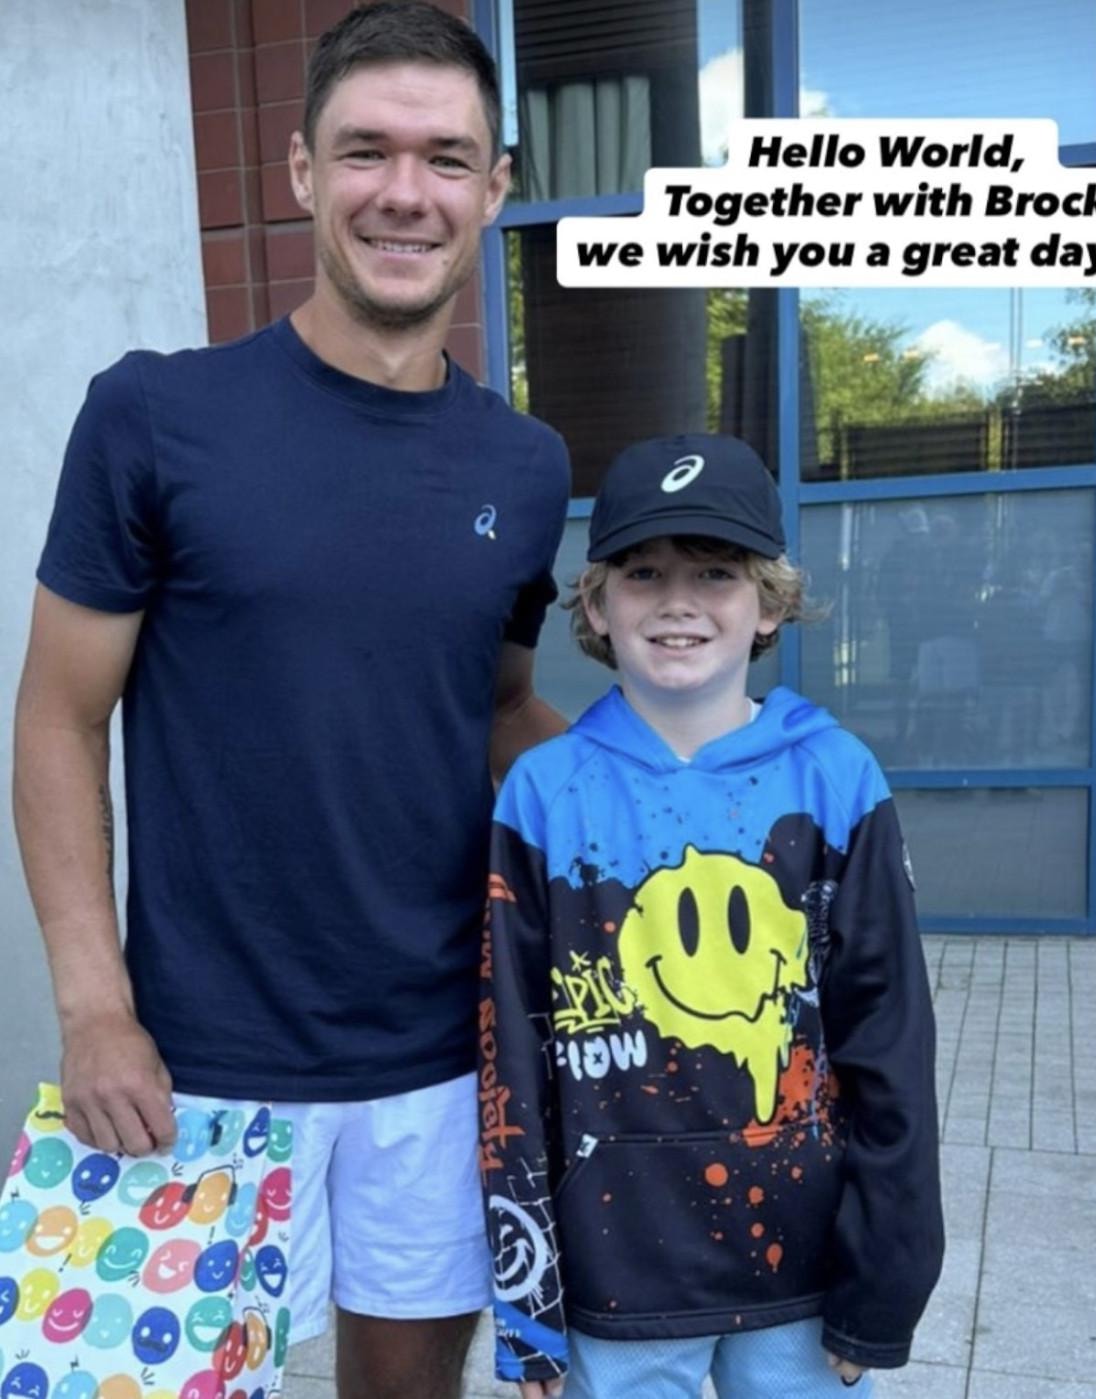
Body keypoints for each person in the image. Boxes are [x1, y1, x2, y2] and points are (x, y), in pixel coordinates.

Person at [12, 4, 568, 1396]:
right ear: (304, 171)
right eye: (366, 150)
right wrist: (92, 1004)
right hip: (195, 1055)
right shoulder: (155, 417)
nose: (405, 191)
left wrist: (690, 800)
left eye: (446, 158)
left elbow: (500, 705)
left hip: (443, 1054)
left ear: (495, 186)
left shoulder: (525, 466)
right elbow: (59, 716)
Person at [479, 434, 943, 1399]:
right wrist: (528, 1308)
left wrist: (885, 1281)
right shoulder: (543, 794)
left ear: (769, 600)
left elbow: (890, 1042)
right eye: (644, 573)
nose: (678, 601)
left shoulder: (836, 778)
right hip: (615, 1283)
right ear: (596, 603)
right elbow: (508, 1063)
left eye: (716, 572)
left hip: (804, 1276)